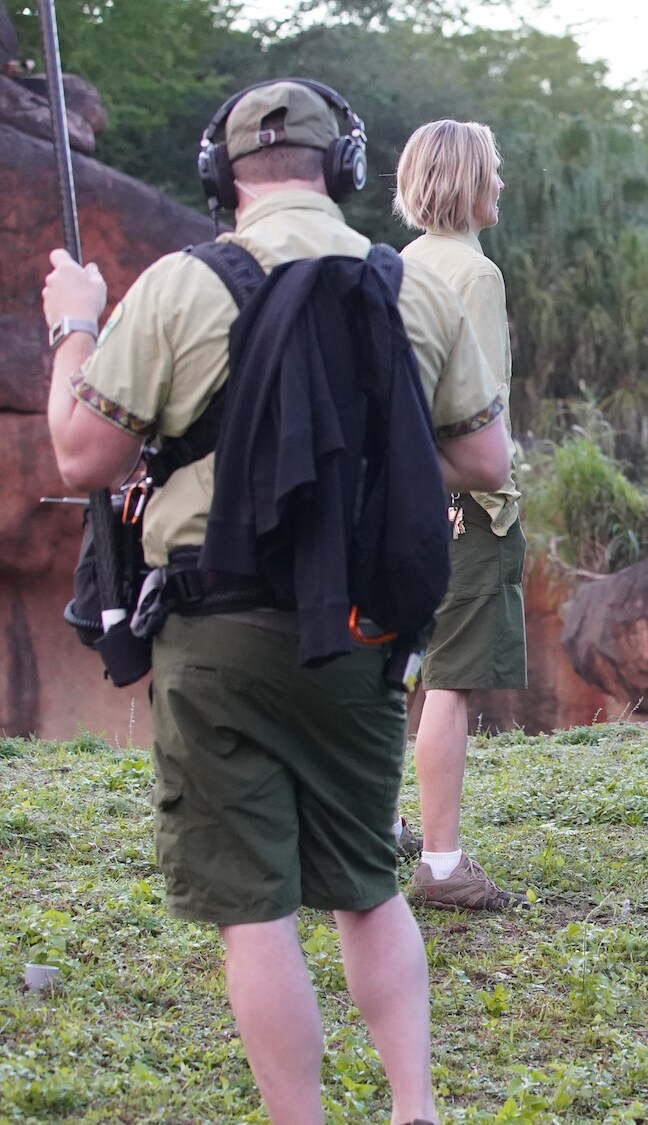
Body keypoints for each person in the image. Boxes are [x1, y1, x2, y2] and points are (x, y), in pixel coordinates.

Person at [40, 79, 508, 1125]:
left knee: (254, 911)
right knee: (364, 885)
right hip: (360, 633)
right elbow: (485, 456)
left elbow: (80, 453)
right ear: (342, 167)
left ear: (222, 177)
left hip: (217, 633)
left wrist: (75, 324)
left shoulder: (178, 285)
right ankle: (415, 1111)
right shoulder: (411, 288)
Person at [391, 118, 527, 911]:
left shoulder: (399, 264)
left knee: (394, 672)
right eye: (494, 172)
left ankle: (385, 826)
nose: (501, 186)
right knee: (451, 684)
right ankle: (442, 863)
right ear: (470, 184)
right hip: (465, 507)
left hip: (400, 500)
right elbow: (475, 412)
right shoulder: (477, 276)